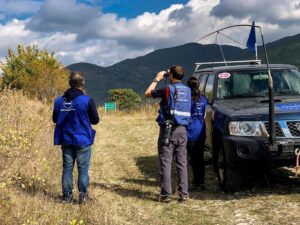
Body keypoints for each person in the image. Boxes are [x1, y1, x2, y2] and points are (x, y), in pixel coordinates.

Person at [144, 65, 191, 203]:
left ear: (171, 75)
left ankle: (166, 195)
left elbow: (147, 93)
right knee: (182, 162)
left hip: (168, 130)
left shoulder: (167, 89)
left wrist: (157, 78)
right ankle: (184, 194)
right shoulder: (187, 90)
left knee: (166, 162)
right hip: (182, 130)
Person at [53, 71, 99, 204]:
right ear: (82, 84)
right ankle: (83, 197)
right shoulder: (87, 100)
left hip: (66, 140)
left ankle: (67, 198)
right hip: (82, 140)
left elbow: (55, 119)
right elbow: (95, 120)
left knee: (67, 169)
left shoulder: (59, 101)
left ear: (69, 83)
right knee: (83, 170)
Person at [186, 77, 208, 191]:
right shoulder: (204, 98)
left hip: (190, 131)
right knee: (200, 158)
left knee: (192, 159)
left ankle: (196, 182)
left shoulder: (187, 99)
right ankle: (201, 182)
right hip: (201, 131)